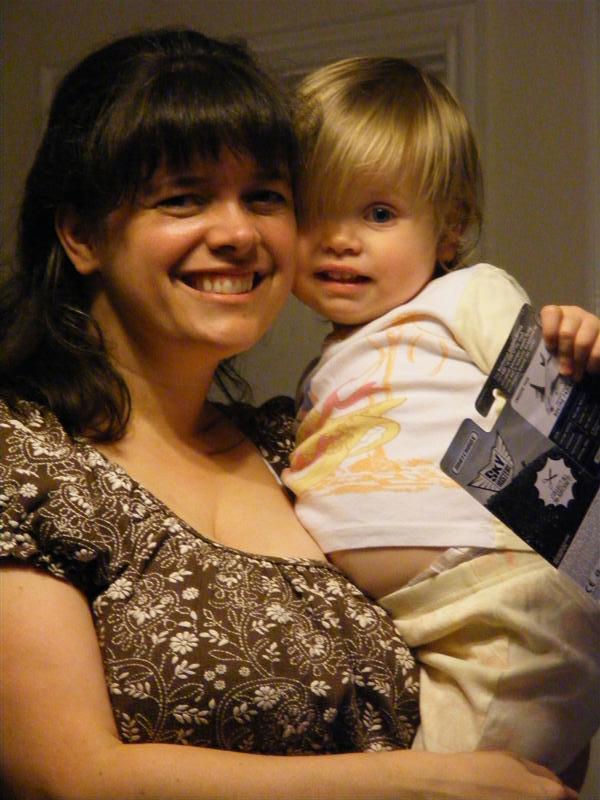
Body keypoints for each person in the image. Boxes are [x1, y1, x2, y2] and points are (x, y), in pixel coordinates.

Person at [0, 27, 584, 800]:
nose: (238, 233)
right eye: (184, 197)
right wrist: (420, 785)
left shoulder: (306, 447)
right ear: (79, 234)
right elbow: (68, 775)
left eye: (267, 197)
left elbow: (531, 641)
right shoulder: (26, 461)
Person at [285, 56, 600, 776]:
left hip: (504, 602)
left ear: (449, 229)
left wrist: (584, 344)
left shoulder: (464, 297)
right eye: (313, 210)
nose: (341, 238)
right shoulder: (329, 368)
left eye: (379, 213)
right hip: (431, 619)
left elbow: (565, 404)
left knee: (453, 784)